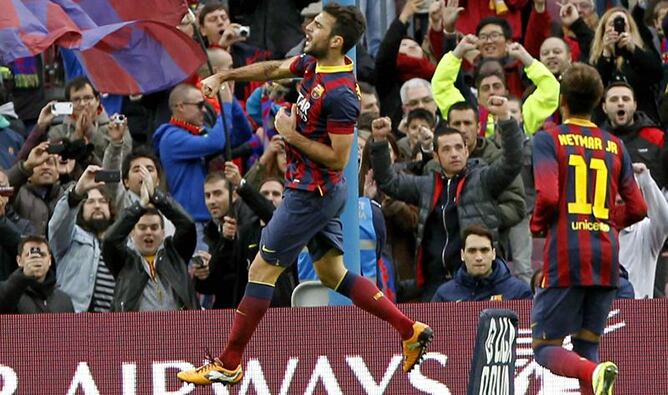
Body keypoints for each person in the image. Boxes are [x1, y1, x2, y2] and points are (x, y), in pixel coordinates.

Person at [178, 3, 432, 386]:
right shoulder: (314, 64)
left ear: (337, 40)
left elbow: (339, 157)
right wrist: (225, 75)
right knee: (332, 273)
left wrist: (288, 133)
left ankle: (229, 362)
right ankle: (409, 330)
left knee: (261, 269)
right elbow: (274, 68)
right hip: (318, 190)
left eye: (318, 25)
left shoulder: (342, 94)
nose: (309, 28)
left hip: (311, 192)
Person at [530, 63, 647, 395]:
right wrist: (605, 223)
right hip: (607, 256)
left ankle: (594, 372)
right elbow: (638, 208)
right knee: (587, 344)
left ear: (562, 100)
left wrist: (538, 224)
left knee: (543, 346)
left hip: (568, 254)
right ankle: (594, 371)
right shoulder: (614, 145)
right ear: (598, 101)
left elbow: (549, 196)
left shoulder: (547, 140)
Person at [370, 95, 524, 301]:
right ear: (435, 155)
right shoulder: (427, 185)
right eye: (446, 149)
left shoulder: (483, 179)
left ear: (467, 151)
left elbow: (512, 162)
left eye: (459, 148)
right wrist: (380, 140)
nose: (454, 154)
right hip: (433, 285)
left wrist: (505, 118)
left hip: (474, 284)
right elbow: (389, 182)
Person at [101, 166, 199, 312]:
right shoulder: (124, 261)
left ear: (163, 231)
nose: (148, 232)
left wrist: (157, 196)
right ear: (132, 233)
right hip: (135, 332)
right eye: (142, 228)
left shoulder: (175, 255)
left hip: (180, 332)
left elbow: (188, 225)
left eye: (154, 228)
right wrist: (140, 206)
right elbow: (109, 240)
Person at [48, 166, 116, 313]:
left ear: (110, 208)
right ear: (81, 209)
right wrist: (76, 193)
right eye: (90, 202)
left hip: (114, 325)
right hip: (74, 323)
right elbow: (56, 225)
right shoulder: (70, 237)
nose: (97, 206)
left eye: (102, 201)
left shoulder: (123, 244)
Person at [431, 224, 532, 302]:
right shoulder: (444, 295)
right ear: (462, 255)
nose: (479, 257)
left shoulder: (519, 293)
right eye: (472, 251)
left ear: (493, 254)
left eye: (484, 250)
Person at [600, 82, 667, 189]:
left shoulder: (657, 137)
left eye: (626, 99)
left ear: (635, 105)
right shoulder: (597, 140)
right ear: (604, 107)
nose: (620, 103)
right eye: (614, 100)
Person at [47, 77, 132, 161]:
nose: (82, 104)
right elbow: (58, 163)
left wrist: (91, 133)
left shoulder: (117, 129)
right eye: (76, 99)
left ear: (97, 100)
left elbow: (122, 161)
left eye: (87, 98)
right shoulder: (57, 132)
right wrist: (77, 137)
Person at [619, 163, 668, 299]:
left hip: (640, 316)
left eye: (626, 193)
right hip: (605, 315)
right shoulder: (596, 230)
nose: (619, 198)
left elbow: (665, 221)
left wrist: (645, 179)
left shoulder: (646, 230)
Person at [0, 235, 74, 314]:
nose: (37, 260)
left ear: (49, 260)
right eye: (30, 255)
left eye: (42, 255)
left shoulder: (64, 300)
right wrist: (22, 277)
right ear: (19, 261)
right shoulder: (7, 293)